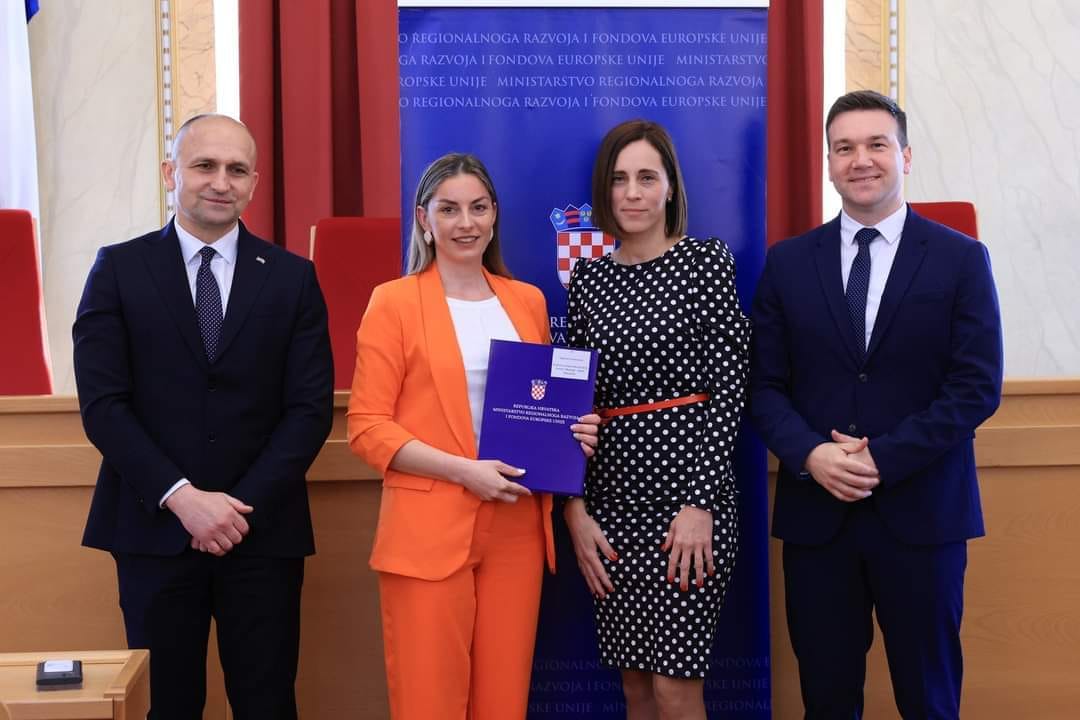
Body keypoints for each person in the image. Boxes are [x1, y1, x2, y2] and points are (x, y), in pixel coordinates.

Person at [750, 90, 1004, 719]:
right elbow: (762, 386)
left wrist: (880, 459)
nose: (860, 159)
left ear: (905, 156)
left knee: (929, 698)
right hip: (819, 519)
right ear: (829, 163)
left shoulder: (961, 259)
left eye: (876, 144)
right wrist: (812, 454)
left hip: (923, 516)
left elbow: (975, 387)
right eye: (844, 148)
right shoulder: (787, 263)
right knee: (827, 700)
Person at [73, 114, 334, 720]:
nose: (221, 182)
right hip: (154, 529)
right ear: (171, 173)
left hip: (261, 532)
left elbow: (309, 409)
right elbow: (104, 406)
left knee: (268, 703)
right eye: (204, 166)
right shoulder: (118, 269)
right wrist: (184, 499)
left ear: (254, 184)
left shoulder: (293, 279)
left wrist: (235, 510)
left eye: (237, 170)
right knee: (168, 706)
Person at [346, 152, 601, 720]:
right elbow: (367, 427)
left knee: (503, 703)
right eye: (450, 209)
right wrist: (463, 471)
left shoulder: (526, 300)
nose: (466, 223)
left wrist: (574, 431)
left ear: (494, 215)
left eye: (479, 208)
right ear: (424, 218)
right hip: (428, 527)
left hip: (516, 524)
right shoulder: (394, 302)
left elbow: (540, 406)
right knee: (428, 704)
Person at [564, 119, 751, 719]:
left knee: (675, 689)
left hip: (687, 508)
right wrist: (574, 509)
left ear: (671, 186)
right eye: (619, 180)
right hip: (610, 507)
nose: (633, 193)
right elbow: (572, 401)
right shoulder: (589, 278)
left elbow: (729, 391)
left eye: (647, 177)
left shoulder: (704, 261)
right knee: (636, 690)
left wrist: (700, 504)